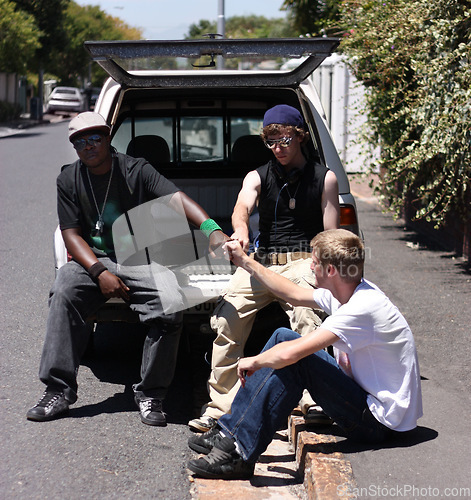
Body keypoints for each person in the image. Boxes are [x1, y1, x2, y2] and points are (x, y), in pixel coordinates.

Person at [26, 111, 228, 426]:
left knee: (171, 303)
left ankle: (151, 395)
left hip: (141, 259)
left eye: (95, 138)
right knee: (63, 291)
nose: (88, 146)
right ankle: (59, 390)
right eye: (80, 141)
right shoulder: (68, 178)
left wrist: (212, 229)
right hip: (94, 258)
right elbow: (70, 233)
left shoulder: (135, 170)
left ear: (108, 138)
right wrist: (98, 272)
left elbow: (177, 200)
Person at [187, 229, 423, 479]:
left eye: (315, 262)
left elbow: (292, 354)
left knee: (296, 357)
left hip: (379, 423)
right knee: (282, 335)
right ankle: (232, 431)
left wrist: (254, 360)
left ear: (330, 270)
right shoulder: (348, 291)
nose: (310, 266)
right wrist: (246, 261)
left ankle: (238, 452)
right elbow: (293, 293)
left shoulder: (361, 309)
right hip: (368, 404)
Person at [188, 104, 340, 432]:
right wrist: (241, 232)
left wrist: (324, 271)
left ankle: (313, 400)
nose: (278, 148)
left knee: (307, 319)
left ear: (299, 136)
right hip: (262, 262)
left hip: (302, 261)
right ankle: (220, 407)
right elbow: (242, 206)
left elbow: (330, 236)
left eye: (284, 139)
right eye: (271, 142)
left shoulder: (324, 178)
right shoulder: (258, 175)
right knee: (227, 318)